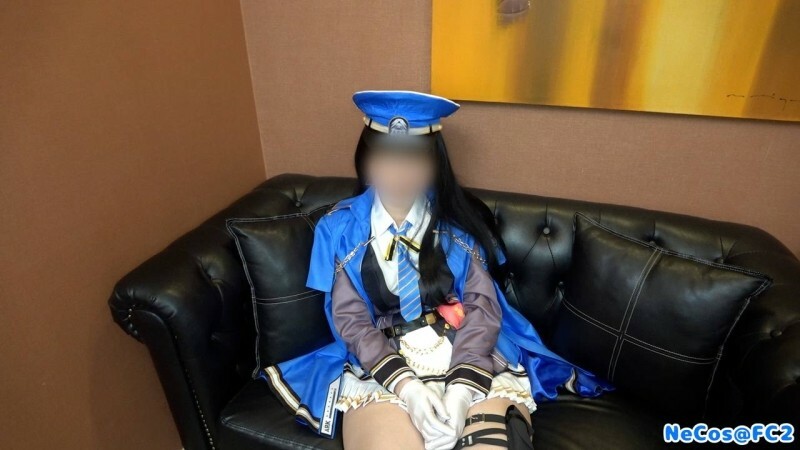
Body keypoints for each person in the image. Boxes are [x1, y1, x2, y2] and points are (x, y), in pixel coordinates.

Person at [261, 90, 614, 449]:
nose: (399, 173)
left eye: (414, 159)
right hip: (381, 362)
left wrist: (461, 392)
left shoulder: (458, 223)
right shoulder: (338, 228)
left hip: (468, 351)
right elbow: (349, 319)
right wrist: (406, 387)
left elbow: (482, 306)